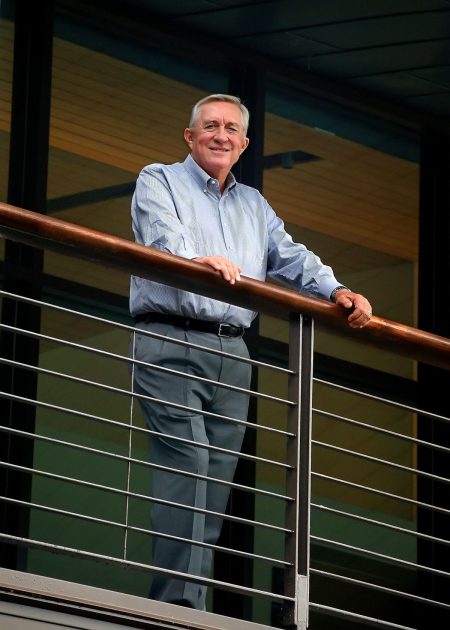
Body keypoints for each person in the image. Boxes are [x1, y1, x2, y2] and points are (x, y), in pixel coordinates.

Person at [129, 93, 373, 610]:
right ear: (190, 136)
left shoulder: (254, 205)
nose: (220, 135)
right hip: (170, 336)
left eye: (231, 129)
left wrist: (336, 291)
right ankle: (179, 609)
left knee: (216, 482)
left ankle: (189, 601)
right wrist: (199, 260)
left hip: (233, 353)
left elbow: (291, 257)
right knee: (188, 467)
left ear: (243, 144)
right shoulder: (159, 179)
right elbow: (161, 237)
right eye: (210, 126)